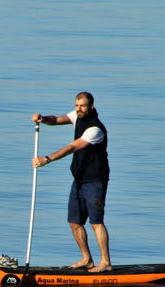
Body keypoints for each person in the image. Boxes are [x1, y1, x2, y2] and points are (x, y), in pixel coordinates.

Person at [31, 91, 112, 272]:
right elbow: (57, 120)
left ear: (91, 106)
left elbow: (73, 147)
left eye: (82, 106)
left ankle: (105, 262)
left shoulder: (95, 129)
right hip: (79, 179)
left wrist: (47, 159)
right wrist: (43, 118)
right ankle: (87, 259)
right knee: (74, 222)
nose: (79, 109)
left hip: (95, 181)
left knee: (96, 222)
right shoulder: (77, 116)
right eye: (77, 105)